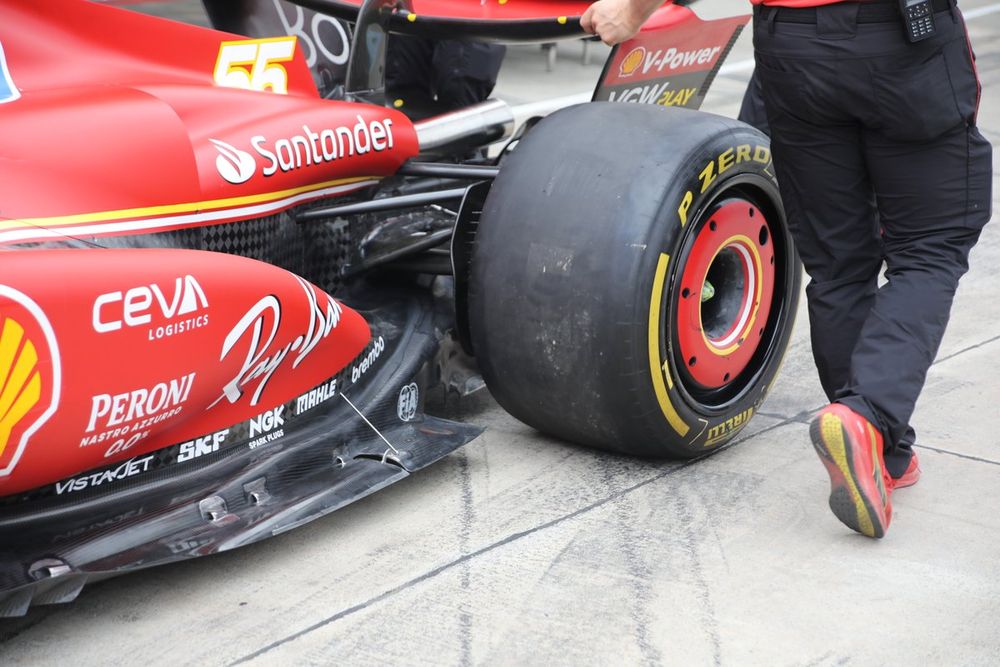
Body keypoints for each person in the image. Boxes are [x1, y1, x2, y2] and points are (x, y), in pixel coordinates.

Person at [582, 0, 992, 537]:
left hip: (793, 45)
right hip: (900, 41)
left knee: (839, 263)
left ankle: (883, 452)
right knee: (931, 247)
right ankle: (866, 416)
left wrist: (634, 9)